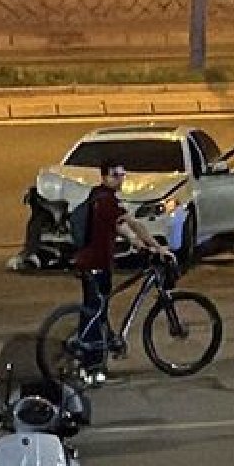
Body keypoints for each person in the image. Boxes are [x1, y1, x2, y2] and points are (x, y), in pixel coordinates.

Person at [72, 159, 170, 385]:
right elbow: (133, 224)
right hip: (95, 265)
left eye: (122, 175)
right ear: (104, 177)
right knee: (95, 314)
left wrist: (136, 242)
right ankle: (91, 370)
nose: (120, 179)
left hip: (94, 263)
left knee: (98, 310)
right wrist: (157, 247)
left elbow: (120, 228)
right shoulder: (105, 201)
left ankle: (95, 362)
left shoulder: (99, 197)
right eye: (115, 175)